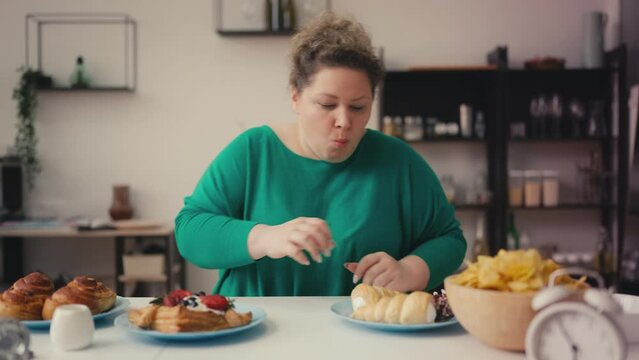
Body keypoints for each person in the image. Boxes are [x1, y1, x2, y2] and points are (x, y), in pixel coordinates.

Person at [175, 12, 466, 296]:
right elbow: (190, 230)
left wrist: (409, 271)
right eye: (327, 105)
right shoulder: (253, 151)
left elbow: (449, 239)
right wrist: (265, 237)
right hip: (255, 332)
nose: (344, 121)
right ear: (296, 98)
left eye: (358, 107)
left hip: (365, 336)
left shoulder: (398, 161)